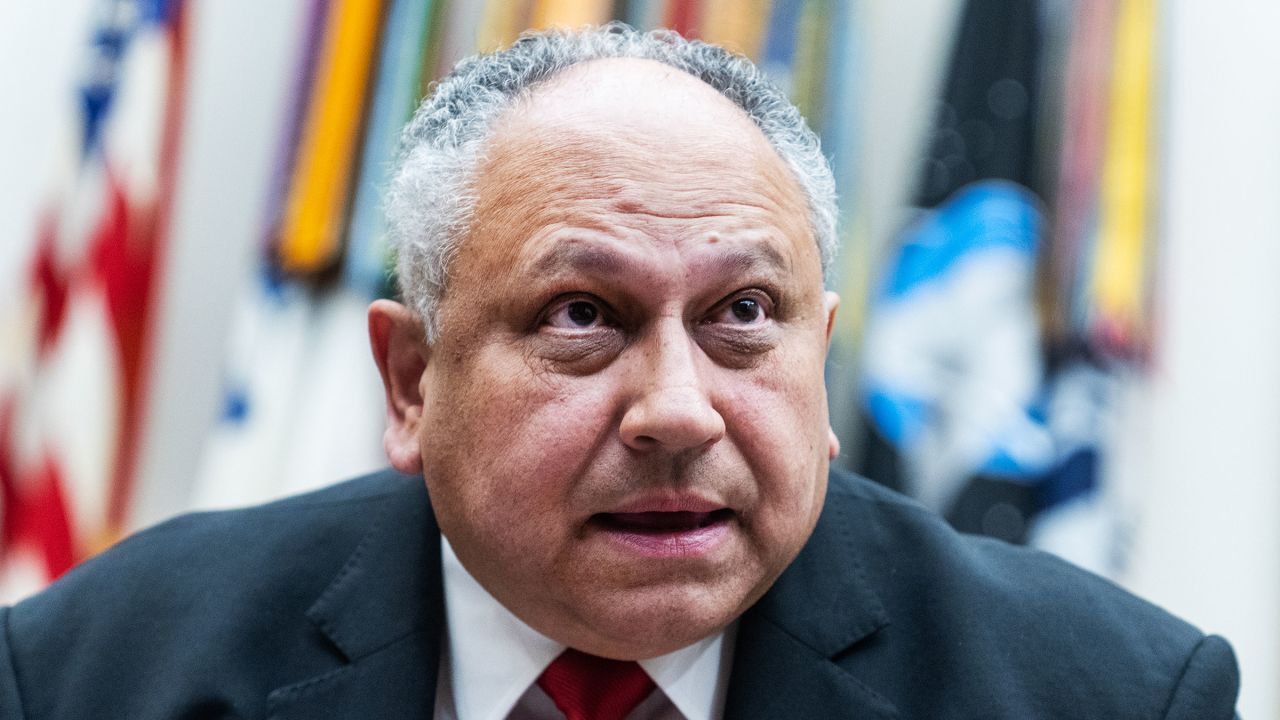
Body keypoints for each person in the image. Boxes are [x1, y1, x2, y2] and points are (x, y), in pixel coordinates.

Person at [0, 24, 1238, 720]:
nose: (677, 411)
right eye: (581, 315)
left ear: (822, 348)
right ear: (412, 380)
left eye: (744, 313)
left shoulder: (1115, 699)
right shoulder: (83, 678)